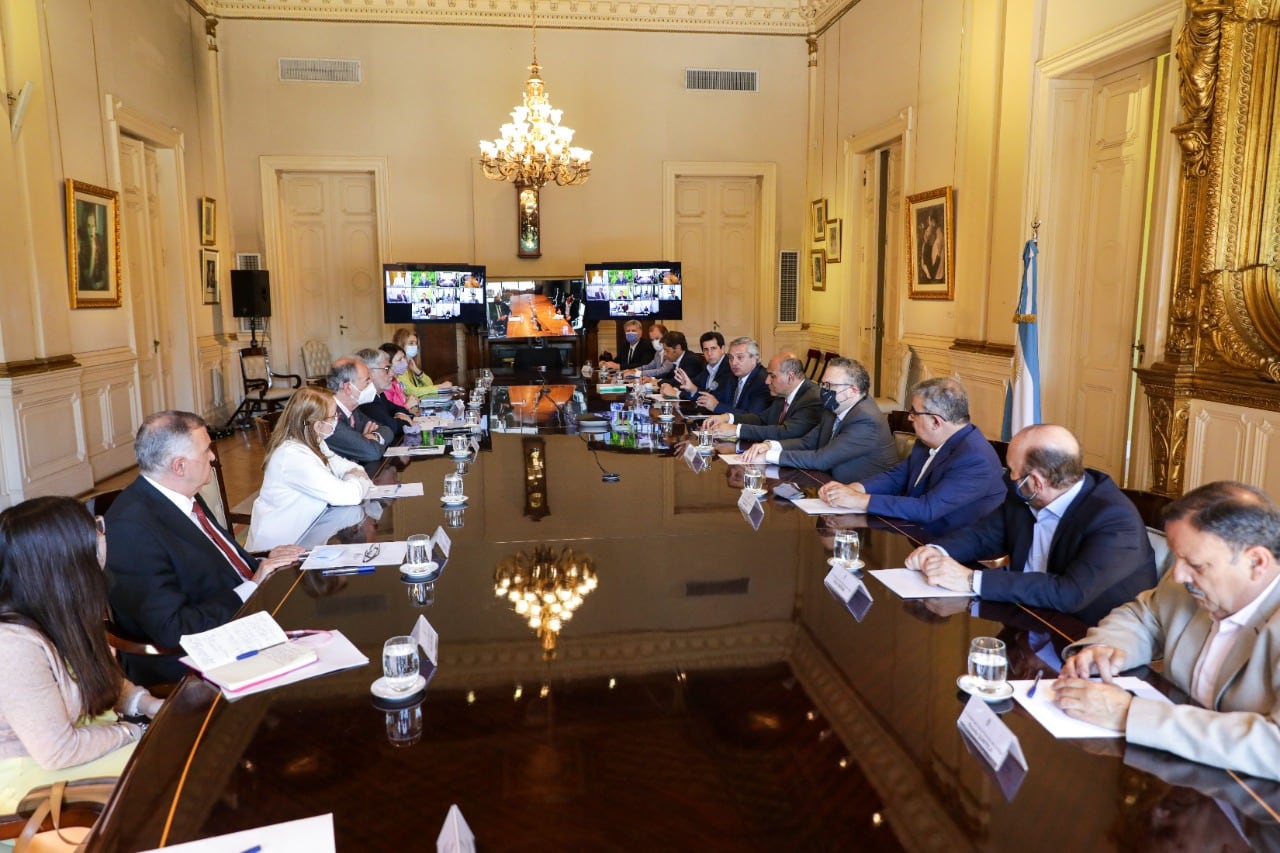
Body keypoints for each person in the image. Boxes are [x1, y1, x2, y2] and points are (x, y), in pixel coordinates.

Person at [1054, 482, 1280, 782]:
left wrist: (1130, 715)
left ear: (1257, 562)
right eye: (1177, 558)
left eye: (1195, 564)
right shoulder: (1189, 584)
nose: (1178, 575)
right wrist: (1106, 648)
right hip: (1182, 774)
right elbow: (1142, 616)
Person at [104, 412, 305, 685]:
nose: (213, 456)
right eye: (207, 449)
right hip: (193, 655)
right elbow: (173, 629)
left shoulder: (182, 493)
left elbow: (220, 558)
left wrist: (263, 563)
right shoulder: (131, 527)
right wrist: (250, 587)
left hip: (244, 614)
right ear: (179, 466)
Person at [0, 497, 164, 809]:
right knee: (169, 781)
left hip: (82, 746)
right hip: (29, 780)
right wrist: (133, 731)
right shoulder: (12, 646)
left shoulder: (64, 609)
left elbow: (101, 679)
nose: (102, 535)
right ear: (65, 559)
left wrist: (146, 703)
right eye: (94, 530)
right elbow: (56, 751)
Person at [904, 423, 1156, 625]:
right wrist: (937, 551)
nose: (1008, 477)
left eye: (1012, 470)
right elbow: (984, 535)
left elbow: (1069, 593)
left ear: (1035, 482)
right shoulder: (1025, 494)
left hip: (1087, 636)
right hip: (1027, 615)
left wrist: (971, 580)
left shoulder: (1115, 521)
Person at [817, 378, 1007, 535]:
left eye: (914, 412)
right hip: (911, 530)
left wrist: (859, 500)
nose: (909, 417)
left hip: (949, 547)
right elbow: (898, 476)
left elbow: (927, 509)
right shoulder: (929, 440)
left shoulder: (974, 459)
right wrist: (853, 489)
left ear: (935, 421)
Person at [246, 387, 373, 552]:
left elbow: (352, 467)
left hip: (306, 535)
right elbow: (350, 495)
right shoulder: (292, 456)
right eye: (334, 416)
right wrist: (355, 479)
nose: (336, 420)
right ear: (318, 424)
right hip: (277, 550)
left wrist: (352, 477)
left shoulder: (316, 441)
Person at [741, 357, 897, 483]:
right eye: (822, 384)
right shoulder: (834, 408)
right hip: (830, 484)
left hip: (864, 497)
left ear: (852, 391)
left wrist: (768, 456)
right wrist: (770, 446)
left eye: (829, 385)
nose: (823, 391)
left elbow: (821, 459)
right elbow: (807, 443)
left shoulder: (865, 420)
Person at [705, 353, 822, 443]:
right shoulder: (782, 393)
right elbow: (762, 419)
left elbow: (786, 432)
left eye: (772, 376)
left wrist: (736, 430)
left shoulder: (812, 398)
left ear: (790, 377)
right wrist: (727, 418)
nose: (767, 381)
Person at [325, 357, 393, 475]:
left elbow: (387, 430)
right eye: (367, 381)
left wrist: (374, 437)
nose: (371, 385)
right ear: (348, 388)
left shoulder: (353, 410)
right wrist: (365, 442)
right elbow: (372, 452)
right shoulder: (330, 419)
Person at [700, 337, 769, 417]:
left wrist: (716, 406)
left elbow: (752, 417)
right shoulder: (731, 377)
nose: (734, 363)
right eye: (731, 358)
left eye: (740, 357)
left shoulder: (762, 381)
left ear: (754, 359)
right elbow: (716, 399)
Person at [355, 347, 414, 442]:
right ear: (369, 372)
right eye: (387, 369)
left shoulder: (379, 394)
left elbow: (398, 408)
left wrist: (399, 414)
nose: (392, 373)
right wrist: (403, 420)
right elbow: (393, 427)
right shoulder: (366, 400)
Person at [662, 331, 727, 403]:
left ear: (722, 349)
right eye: (706, 349)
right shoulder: (708, 368)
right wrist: (674, 389)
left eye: (713, 348)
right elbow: (692, 384)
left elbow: (712, 397)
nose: (709, 353)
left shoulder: (728, 368)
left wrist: (676, 393)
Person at [391, 328, 452, 396]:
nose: (415, 346)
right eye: (411, 343)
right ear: (401, 344)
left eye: (416, 343)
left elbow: (429, 384)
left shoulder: (411, 365)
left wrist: (417, 371)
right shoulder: (399, 368)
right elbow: (412, 392)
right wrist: (440, 386)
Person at [379, 342, 419, 410]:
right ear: (388, 363)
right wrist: (407, 406)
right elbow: (391, 414)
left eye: (404, 358)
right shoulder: (385, 387)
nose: (405, 362)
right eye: (400, 360)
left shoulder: (395, 381)